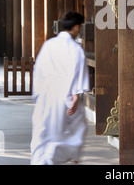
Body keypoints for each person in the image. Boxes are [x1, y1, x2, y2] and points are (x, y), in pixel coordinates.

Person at [30, 11, 90, 165]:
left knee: (43, 131)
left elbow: (39, 70)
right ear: (77, 27)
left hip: (46, 94)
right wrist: (76, 95)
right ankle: (57, 159)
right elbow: (79, 74)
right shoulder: (76, 49)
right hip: (66, 96)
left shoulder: (49, 44)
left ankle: (41, 160)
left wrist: (38, 92)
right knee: (75, 129)